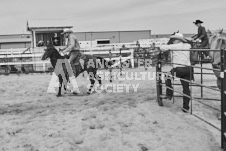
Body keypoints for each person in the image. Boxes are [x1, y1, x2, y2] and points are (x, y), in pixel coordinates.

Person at [159, 33, 192, 113]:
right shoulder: (188, 45)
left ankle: (169, 93)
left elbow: (162, 48)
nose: (173, 41)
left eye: (174, 40)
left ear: (177, 40)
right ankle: (186, 107)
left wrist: (165, 46)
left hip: (179, 69)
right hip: (188, 69)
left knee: (167, 77)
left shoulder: (175, 46)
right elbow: (190, 44)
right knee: (186, 88)